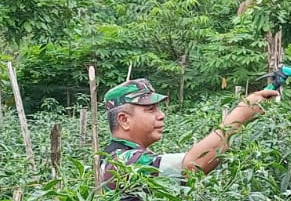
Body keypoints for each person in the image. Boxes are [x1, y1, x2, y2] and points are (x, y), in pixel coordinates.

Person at [100, 77, 280, 192]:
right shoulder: (121, 161)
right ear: (124, 120)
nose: (161, 115)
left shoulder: (119, 155)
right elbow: (192, 167)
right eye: (150, 109)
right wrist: (242, 113)